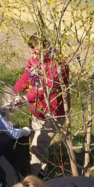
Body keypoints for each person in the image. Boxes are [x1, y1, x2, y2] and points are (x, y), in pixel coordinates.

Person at [13, 34, 70, 177]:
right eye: (31, 51)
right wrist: (15, 92)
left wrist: (25, 98)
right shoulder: (34, 59)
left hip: (54, 113)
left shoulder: (58, 65)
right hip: (37, 110)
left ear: (47, 48)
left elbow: (45, 88)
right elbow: (26, 77)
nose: (33, 54)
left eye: (36, 51)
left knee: (37, 146)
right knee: (36, 140)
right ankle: (42, 171)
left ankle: (30, 180)